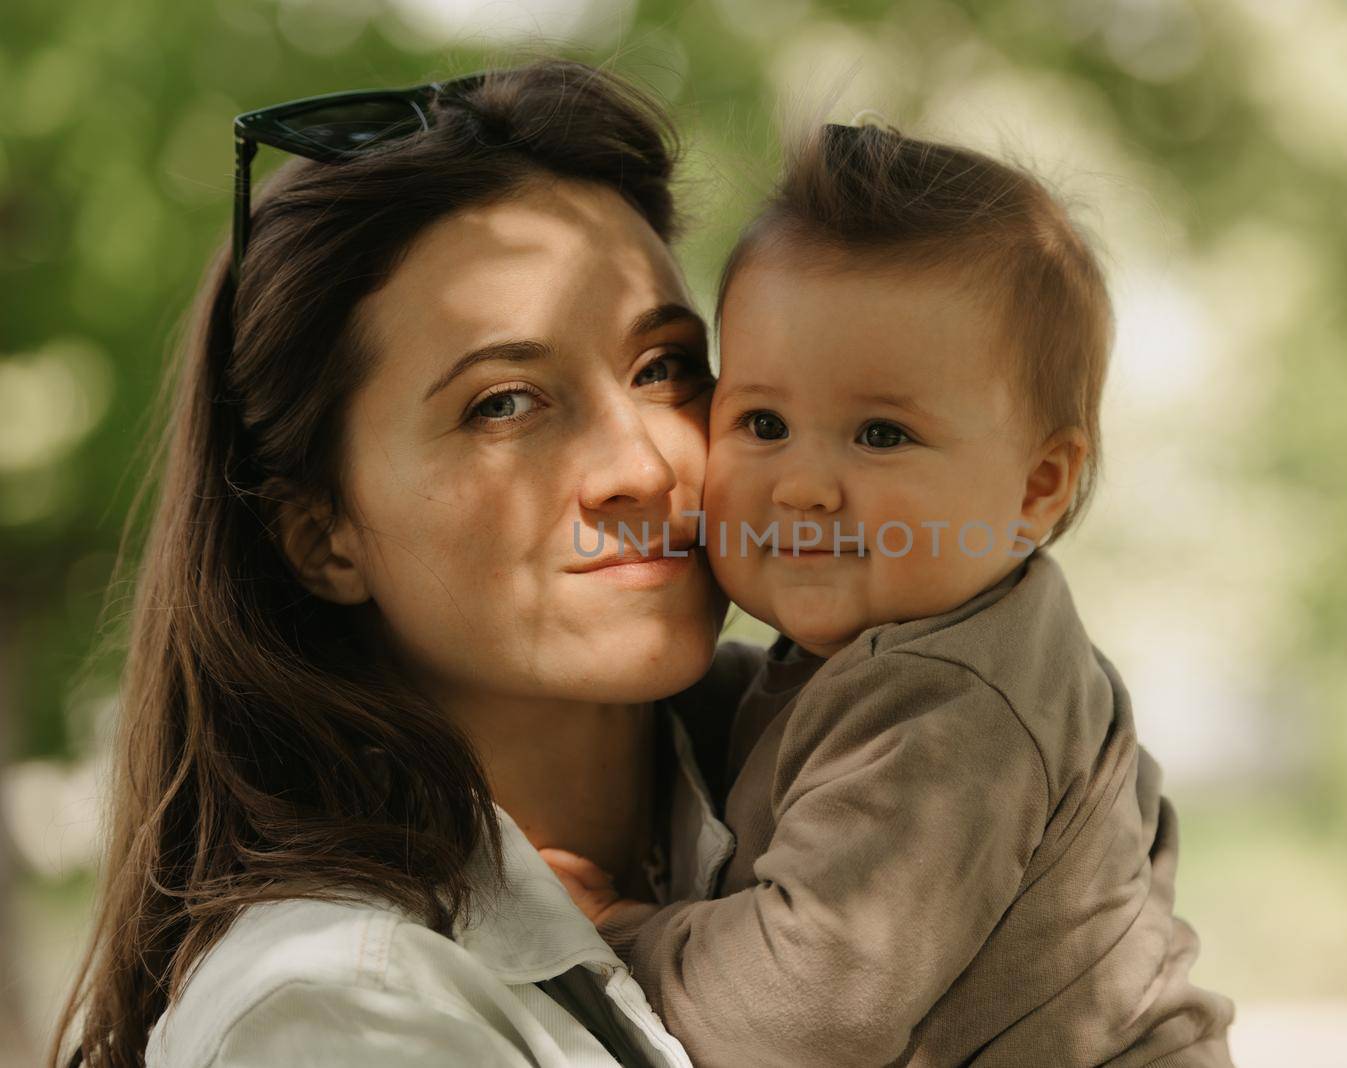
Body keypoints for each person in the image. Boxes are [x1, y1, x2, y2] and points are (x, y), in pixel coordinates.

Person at [53, 60, 753, 1068]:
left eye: (664, 368)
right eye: (503, 402)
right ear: (321, 536)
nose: (640, 466)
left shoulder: (893, 764)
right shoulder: (333, 1012)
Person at [545, 122, 1236, 1066]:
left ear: (1037, 487)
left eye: (880, 436)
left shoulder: (957, 711)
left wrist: (619, 927)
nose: (803, 485)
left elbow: (796, 1018)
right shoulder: (932, 652)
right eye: (763, 421)